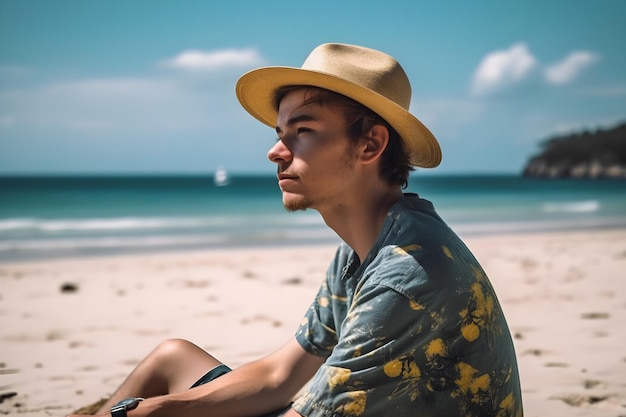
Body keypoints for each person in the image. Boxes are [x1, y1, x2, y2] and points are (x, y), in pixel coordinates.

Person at [70, 43, 523, 417]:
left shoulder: (405, 275)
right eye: (279, 131)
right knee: (172, 357)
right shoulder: (366, 246)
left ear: (370, 143)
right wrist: (162, 408)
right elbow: (280, 373)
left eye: (301, 131)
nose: (274, 152)